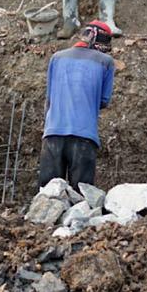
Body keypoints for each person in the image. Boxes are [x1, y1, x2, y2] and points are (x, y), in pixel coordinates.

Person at [38, 20, 115, 189]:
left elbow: (49, 98)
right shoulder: (106, 62)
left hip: (53, 132)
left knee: (49, 194)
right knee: (82, 195)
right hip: (84, 135)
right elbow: (104, 101)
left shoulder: (57, 57)